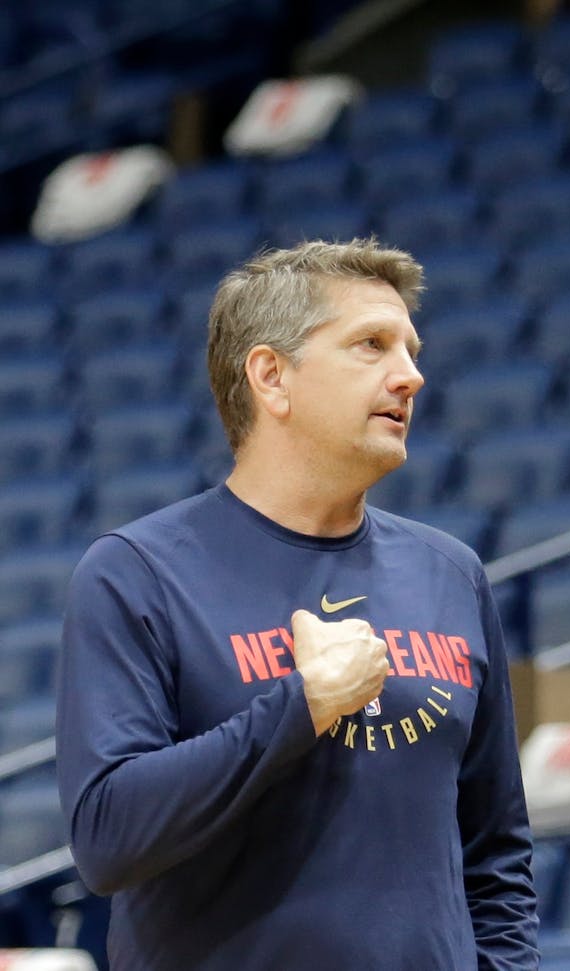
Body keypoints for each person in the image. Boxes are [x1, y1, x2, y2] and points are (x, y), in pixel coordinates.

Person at [56, 239, 539, 970]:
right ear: (271, 377)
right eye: (371, 345)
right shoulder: (137, 574)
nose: (411, 375)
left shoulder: (452, 574)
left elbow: (496, 853)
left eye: (409, 348)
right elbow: (106, 836)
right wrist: (303, 704)